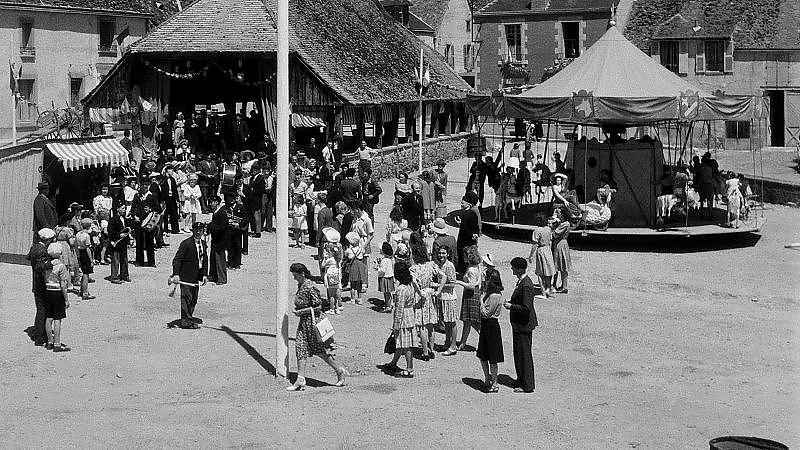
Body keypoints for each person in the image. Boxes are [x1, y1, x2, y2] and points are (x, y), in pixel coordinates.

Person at [286, 263, 349, 391]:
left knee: (320, 351)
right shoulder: (301, 285)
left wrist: (302, 311)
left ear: (302, 274)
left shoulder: (310, 286)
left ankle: (339, 370)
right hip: (304, 324)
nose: (294, 278)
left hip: (313, 324)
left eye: (296, 275)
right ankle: (300, 379)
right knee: (300, 348)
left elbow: (318, 306)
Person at [503, 257, 538, 393]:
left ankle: (527, 385)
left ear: (519, 269)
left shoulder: (527, 284)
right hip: (519, 324)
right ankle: (521, 379)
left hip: (523, 325)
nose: (512, 269)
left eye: (513, 267)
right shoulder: (522, 282)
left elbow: (526, 307)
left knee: (524, 355)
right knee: (519, 353)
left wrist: (511, 306)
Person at [171, 222, 209, 329]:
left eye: (200, 230)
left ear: (202, 231)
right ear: (193, 231)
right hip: (186, 276)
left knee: (193, 299)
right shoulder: (186, 244)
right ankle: (186, 322)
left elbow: (204, 260)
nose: (198, 232)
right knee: (186, 298)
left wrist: (205, 275)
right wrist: (176, 274)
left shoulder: (203, 244)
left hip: (196, 276)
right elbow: (177, 259)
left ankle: (188, 318)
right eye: (196, 230)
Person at [383, 260, 417, 378]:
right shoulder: (410, 284)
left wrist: (396, 324)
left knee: (406, 345)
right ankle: (393, 363)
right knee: (401, 342)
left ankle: (409, 369)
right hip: (410, 315)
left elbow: (399, 308)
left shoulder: (401, 289)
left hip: (403, 318)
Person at [477, 266, 504, 393]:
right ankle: (487, 379)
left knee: (492, 357)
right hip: (487, 326)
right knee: (483, 355)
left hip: (491, 326)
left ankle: (494, 382)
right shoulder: (491, 294)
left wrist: (481, 302)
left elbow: (486, 313)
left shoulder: (494, 295)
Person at [410, 236, 437, 360]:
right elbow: (442, 275)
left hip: (420, 296)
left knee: (421, 326)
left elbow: (414, 282)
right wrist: (437, 289)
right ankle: (431, 349)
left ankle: (425, 352)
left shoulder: (415, 268)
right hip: (429, 295)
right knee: (430, 325)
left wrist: (419, 293)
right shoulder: (430, 265)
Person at [27, 228, 56, 346]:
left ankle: (39, 332)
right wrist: (52, 263)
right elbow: (40, 267)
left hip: (36, 282)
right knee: (43, 310)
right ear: (48, 239)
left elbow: (29, 257)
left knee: (40, 308)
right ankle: (40, 336)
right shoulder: (42, 250)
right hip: (41, 284)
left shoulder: (34, 247)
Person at [44, 243, 71, 352]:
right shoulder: (61, 266)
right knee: (57, 319)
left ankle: (50, 341)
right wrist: (66, 299)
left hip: (48, 290)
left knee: (48, 317)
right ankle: (57, 343)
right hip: (57, 292)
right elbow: (63, 285)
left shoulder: (46, 264)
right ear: (59, 253)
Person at [454, 245, 482, 350]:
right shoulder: (476, 267)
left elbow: (471, 285)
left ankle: (485, 340)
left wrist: (459, 282)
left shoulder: (471, 270)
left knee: (472, 321)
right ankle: (462, 343)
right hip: (473, 294)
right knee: (469, 321)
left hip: (471, 295)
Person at [434, 246, 459, 355]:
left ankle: (453, 346)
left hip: (449, 297)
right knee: (446, 323)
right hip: (442, 297)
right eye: (439, 253)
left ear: (448, 254)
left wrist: (439, 286)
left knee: (451, 322)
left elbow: (453, 284)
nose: (441, 255)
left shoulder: (449, 266)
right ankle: (447, 343)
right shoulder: (440, 265)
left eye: (443, 253)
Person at [350, 201, 375, 291]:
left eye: (354, 209)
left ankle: (364, 283)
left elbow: (371, 234)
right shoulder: (355, 218)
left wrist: (364, 245)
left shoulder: (366, 219)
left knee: (364, 264)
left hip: (363, 242)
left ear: (358, 209)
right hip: (355, 241)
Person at [528, 217, 555, 296]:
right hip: (548, 249)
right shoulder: (548, 229)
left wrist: (531, 256)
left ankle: (543, 292)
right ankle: (548, 287)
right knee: (549, 270)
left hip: (541, 250)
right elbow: (550, 241)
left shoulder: (537, 230)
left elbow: (535, 244)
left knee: (540, 272)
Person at [455, 191, 480, 274]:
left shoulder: (465, 214)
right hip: (472, 240)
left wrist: (461, 224)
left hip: (464, 241)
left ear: (468, 204)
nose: (461, 205)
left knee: (463, 258)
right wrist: (474, 235)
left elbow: (465, 229)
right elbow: (476, 226)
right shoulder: (474, 213)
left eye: (462, 203)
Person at [207, 195, 229, 285]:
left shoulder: (222, 213)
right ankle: (213, 276)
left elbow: (222, 228)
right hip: (215, 239)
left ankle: (222, 278)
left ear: (216, 202)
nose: (210, 204)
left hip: (220, 240)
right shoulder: (216, 212)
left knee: (220, 259)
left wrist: (210, 225)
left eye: (212, 202)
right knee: (212, 258)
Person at [107, 204, 131, 284]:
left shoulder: (124, 218)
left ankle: (124, 275)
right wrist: (118, 235)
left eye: (125, 208)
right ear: (117, 209)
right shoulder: (113, 219)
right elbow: (110, 231)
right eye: (122, 208)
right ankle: (114, 277)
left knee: (124, 259)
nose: (124, 210)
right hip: (116, 242)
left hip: (123, 242)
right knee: (115, 260)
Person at [321, 230, 343, 315]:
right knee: (337, 291)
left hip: (330, 274)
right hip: (337, 274)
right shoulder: (337, 258)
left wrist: (325, 258)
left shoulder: (329, 260)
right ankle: (337, 307)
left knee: (331, 295)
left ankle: (331, 308)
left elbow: (323, 265)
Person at [551, 209, 571, 294]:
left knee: (562, 266)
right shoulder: (562, 223)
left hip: (560, 244)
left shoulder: (565, 224)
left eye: (559, 214)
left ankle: (564, 286)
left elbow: (555, 234)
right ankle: (561, 285)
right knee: (561, 266)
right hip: (560, 244)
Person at [75, 219, 95, 300]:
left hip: (80, 252)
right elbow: (88, 249)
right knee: (86, 274)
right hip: (85, 253)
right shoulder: (87, 236)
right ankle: (85, 292)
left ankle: (81, 289)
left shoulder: (78, 234)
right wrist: (91, 260)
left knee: (83, 272)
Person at [344, 231, 366, 305]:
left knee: (352, 283)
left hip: (353, 266)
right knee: (359, 283)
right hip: (360, 266)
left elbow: (346, 255)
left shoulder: (349, 250)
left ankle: (352, 299)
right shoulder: (361, 249)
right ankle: (359, 298)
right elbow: (363, 253)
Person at [162, 165, 181, 234]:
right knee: (166, 214)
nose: (172, 172)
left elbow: (175, 189)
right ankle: (165, 229)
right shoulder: (163, 179)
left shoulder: (172, 179)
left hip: (172, 198)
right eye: (170, 170)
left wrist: (177, 199)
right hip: (166, 199)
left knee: (174, 213)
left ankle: (175, 229)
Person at [377, 242, 395, 312]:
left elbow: (383, 270)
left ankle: (388, 306)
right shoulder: (389, 259)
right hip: (389, 277)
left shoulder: (384, 260)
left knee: (386, 293)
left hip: (385, 277)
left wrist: (377, 268)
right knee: (388, 292)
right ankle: (389, 304)